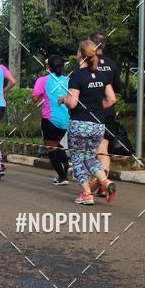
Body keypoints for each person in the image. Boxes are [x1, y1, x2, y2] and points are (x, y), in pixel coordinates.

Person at [58, 40, 117, 205]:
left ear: (81, 54)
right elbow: (112, 99)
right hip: (98, 125)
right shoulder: (102, 76)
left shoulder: (77, 75)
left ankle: (86, 194)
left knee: (77, 159)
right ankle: (106, 181)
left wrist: (63, 99)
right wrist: (97, 108)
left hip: (79, 123)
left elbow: (72, 103)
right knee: (90, 158)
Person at [89, 32, 122, 193]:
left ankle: (102, 182)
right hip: (109, 111)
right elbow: (118, 88)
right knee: (105, 148)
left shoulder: (88, 64)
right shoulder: (112, 64)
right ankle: (103, 184)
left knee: (95, 150)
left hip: (93, 112)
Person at [32, 54, 70, 185]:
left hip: (50, 119)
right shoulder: (68, 80)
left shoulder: (42, 80)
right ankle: (66, 170)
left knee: (50, 148)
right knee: (56, 145)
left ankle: (62, 176)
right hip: (65, 120)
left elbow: (35, 98)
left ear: (48, 67)